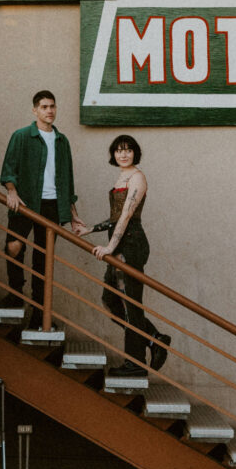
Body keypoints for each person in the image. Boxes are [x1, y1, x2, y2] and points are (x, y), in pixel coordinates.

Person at [0, 90, 85, 328]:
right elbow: (9, 168)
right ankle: (15, 295)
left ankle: (39, 312)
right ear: (34, 110)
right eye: (44, 107)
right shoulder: (22, 136)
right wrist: (12, 191)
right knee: (14, 246)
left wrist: (73, 215)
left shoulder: (62, 141)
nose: (49, 111)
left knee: (43, 259)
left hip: (52, 206)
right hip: (26, 202)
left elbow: (67, 181)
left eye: (52, 106)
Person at [89, 135, 171, 377]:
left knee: (128, 302)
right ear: (113, 154)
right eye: (118, 150)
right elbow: (115, 218)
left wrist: (110, 248)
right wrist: (90, 230)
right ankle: (155, 338)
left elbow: (126, 216)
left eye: (128, 150)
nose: (123, 154)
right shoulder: (121, 177)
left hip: (131, 244)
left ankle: (134, 364)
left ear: (135, 153)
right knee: (111, 300)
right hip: (120, 243)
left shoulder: (137, 177)